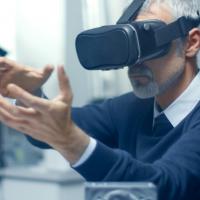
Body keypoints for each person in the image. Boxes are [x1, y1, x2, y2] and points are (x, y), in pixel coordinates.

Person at [0, 0, 199, 199]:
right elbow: (47, 130)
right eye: (129, 43)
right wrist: (28, 91)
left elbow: (163, 188)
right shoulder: (131, 109)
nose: (135, 61)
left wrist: (72, 142)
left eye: (147, 41)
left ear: (191, 43)